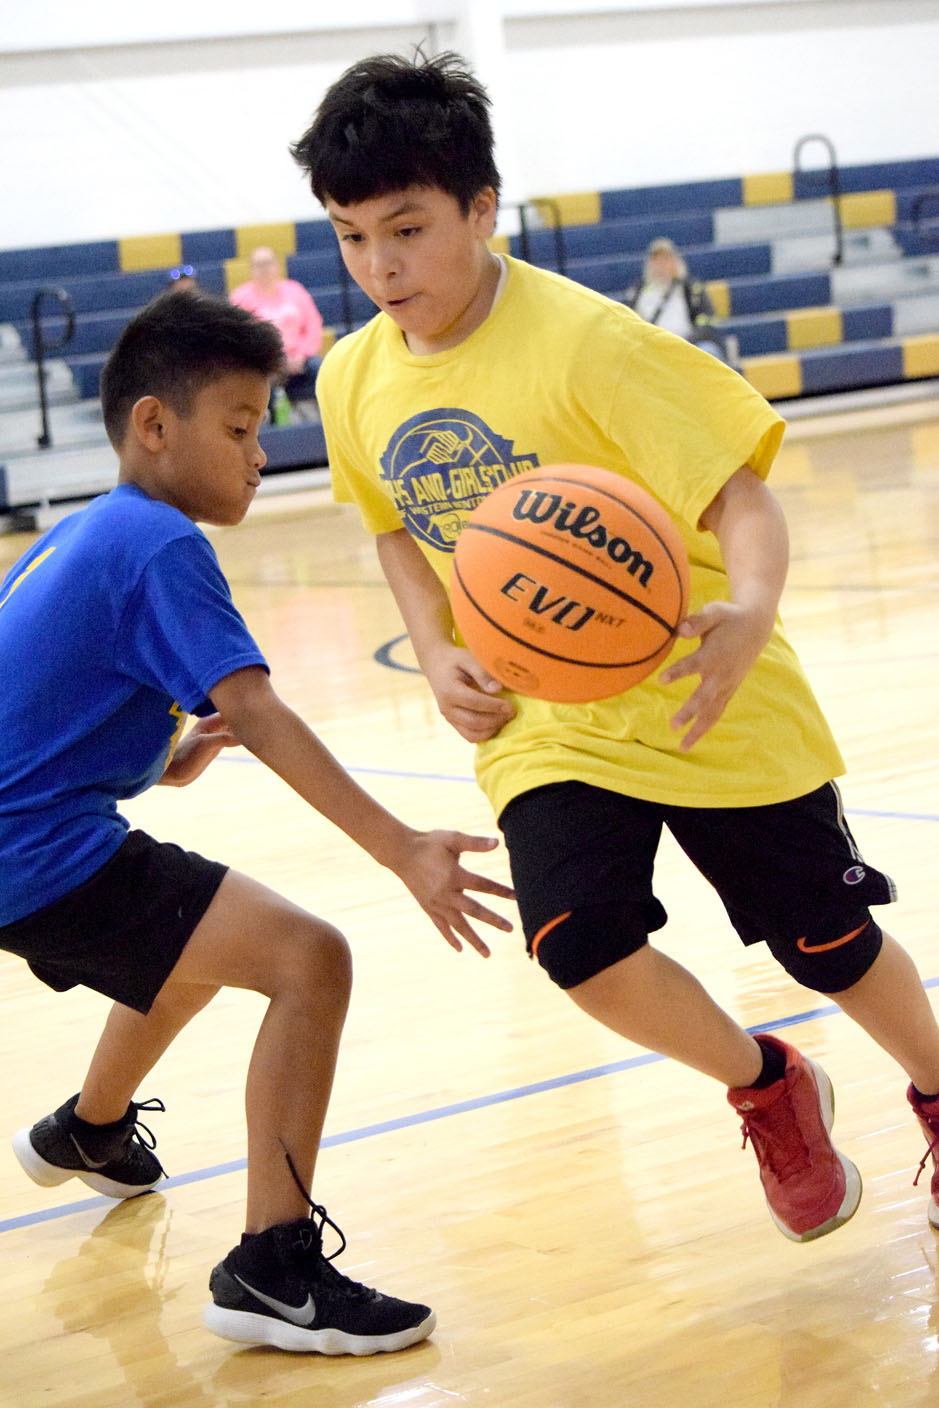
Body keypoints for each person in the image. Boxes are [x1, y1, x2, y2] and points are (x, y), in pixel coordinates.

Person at [288, 49, 939, 1247]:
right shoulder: (351, 378)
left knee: (826, 941)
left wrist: (746, 610)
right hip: (547, 721)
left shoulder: (595, 345)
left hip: (703, 688)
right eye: (349, 236)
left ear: (483, 211)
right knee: (580, 944)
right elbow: (391, 526)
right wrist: (434, 655)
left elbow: (742, 496)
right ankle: (767, 1085)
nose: (378, 267)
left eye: (408, 228)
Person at [0, 289, 514, 1354]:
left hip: (27, 842)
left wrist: (157, 756)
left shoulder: (82, 532)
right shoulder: (156, 542)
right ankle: (272, 1270)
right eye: (237, 428)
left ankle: (89, 1128)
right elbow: (259, 709)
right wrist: (404, 848)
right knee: (308, 958)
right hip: (31, 855)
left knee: (189, 939)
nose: (257, 454)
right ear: (154, 425)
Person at [230, 246, 324, 417]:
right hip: (265, 361)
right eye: (259, 265)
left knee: (323, 369)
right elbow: (238, 337)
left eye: (268, 263)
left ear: (277, 266)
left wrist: (302, 354)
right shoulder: (240, 298)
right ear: (251, 270)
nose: (264, 269)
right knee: (258, 380)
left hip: (300, 358)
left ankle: (326, 420)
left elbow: (313, 324)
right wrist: (273, 359)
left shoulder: (295, 290)